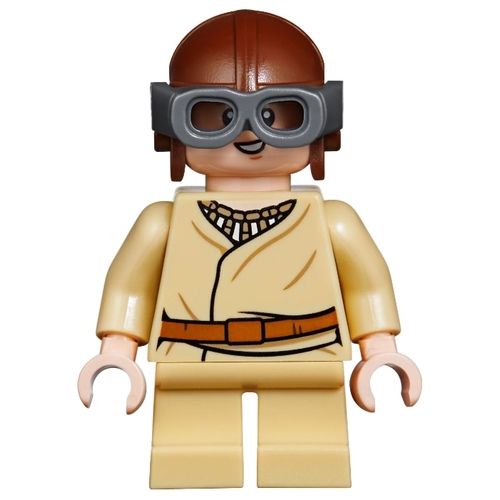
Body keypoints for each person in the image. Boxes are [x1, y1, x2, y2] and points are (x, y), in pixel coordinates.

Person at [78, 9, 421, 488]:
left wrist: (380, 350)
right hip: (191, 361)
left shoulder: (334, 220)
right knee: (191, 459)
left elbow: (368, 286)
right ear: (172, 129)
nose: (248, 134)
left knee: (309, 458)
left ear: (322, 127)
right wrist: (116, 351)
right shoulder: (162, 221)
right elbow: (129, 286)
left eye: (278, 115)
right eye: (214, 116)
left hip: (304, 356)